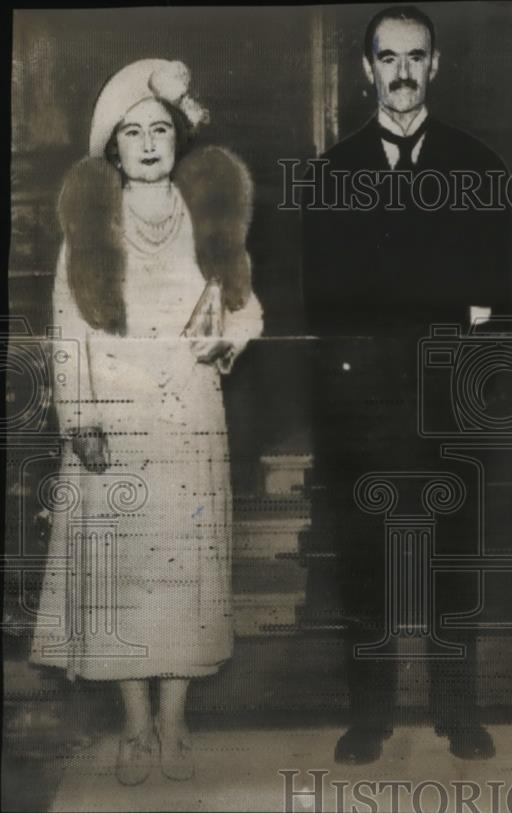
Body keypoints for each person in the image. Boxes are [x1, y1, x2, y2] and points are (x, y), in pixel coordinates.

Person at [30, 59, 263, 786]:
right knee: (123, 570)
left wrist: (231, 333)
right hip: (115, 421)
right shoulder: (90, 231)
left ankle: (175, 717)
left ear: (178, 140)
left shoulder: (208, 221)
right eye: (133, 132)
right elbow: (66, 334)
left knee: (183, 566)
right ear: (114, 150)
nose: (150, 143)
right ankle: (135, 722)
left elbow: (249, 308)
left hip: (190, 412)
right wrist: (81, 420)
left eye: (161, 128)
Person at [300, 5, 511, 764]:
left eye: (414, 57)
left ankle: (460, 710)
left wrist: (410, 299)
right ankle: (370, 715)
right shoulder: (331, 174)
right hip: (361, 403)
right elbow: (326, 300)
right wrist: (435, 296)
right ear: (366, 70)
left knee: (453, 556)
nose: (400, 72)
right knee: (367, 561)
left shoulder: (478, 167)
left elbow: (492, 297)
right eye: (386, 57)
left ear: (436, 64)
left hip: (451, 393)